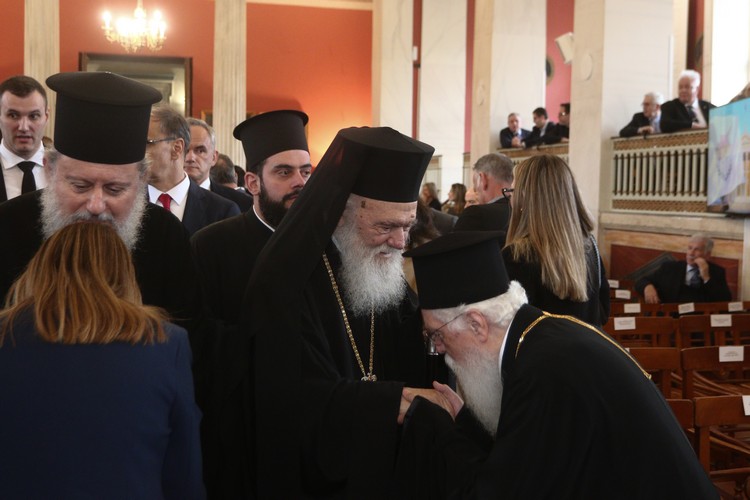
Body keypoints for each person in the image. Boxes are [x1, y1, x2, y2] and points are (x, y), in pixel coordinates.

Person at [397, 230, 717, 499]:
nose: (438, 348)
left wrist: (437, 425)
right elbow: (526, 462)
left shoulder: (543, 370)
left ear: (477, 324)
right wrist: (463, 421)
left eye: (436, 334)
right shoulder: (541, 339)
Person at [247, 126, 451, 498]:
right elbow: (293, 399)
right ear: (341, 213)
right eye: (385, 226)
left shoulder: (381, 266)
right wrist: (392, 401)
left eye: (407, 226)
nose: (399, 242)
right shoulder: (284, 278)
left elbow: (412, 344)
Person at [0, 222, 204, 499]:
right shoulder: (165, 342)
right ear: (124, 273)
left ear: (40, 266)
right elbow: (184, 471)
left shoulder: (6, 335)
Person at [0, 72, 202, 338]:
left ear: (141, 179)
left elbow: (189, 338)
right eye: (80, 186)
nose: (96, 206)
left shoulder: (167, 237)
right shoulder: (7, 225)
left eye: (114, 189)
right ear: (49, 170)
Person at [190, 109, 311, 499]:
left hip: (311, 425)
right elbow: (201, 341)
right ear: (253, 182)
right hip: (238, 427)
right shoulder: (210, 245)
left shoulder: (327, 246)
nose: (299, 182)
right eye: (284, 172)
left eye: (306, 171)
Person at [503, 154, 609, 326]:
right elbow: (602, 312)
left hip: (540, 344)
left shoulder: (517, 255)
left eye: (512, 192)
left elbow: (509, 324)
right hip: (584, 343)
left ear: (524, 198)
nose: (510, 199)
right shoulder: (589, 245)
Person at [146, 105, 240, 236]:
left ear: (177, 148)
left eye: (147, 143)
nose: (137, 153)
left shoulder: (223, 211)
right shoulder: (125, 205)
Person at [635, 233, 731, 304]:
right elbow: (641, 281)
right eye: (689, 248)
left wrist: (706, 278)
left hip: (699, 320)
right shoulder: (670, 267)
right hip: (670, 317)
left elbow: (725, 300)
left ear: (707, 254)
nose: (691, 253)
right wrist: (648, 287)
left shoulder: (716, 272)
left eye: (697, 249)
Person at [0, 75, 49, 201]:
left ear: (46, 118)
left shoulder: (66, 169)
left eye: (33, 116)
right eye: (13, 115)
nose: (24, 127)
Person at [186, 117, 252, 211]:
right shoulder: (163, 200)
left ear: (214, 157)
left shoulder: (241, 203)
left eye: (200, 151)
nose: (190, 158)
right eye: (184, 150)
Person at [454, 152, 513, 234]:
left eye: (474, 183)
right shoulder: (524, 211)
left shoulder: (475, 215)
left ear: (483, 179)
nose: (475, 189)